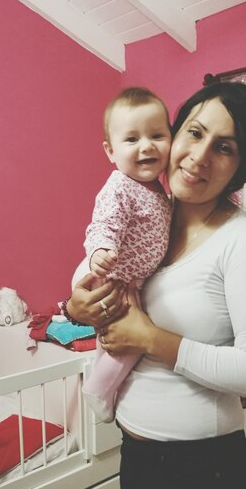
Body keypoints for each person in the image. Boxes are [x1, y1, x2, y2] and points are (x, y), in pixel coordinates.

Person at [68, 81, 246, 489]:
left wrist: (152, 339)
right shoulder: (152, 218)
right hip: (139, 457)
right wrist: (75, 307)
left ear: (242, 165)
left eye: (225, 146)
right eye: (195, 132)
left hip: (203, 473)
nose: (200, 156)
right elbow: (106, 290)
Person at [81, 87, 172, 423]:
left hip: (133, 282)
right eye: (132, 139)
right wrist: (101, 252)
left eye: (157, 135)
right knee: (130, 340)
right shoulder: (119, 186)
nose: (146, 146)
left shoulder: (157, 188)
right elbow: (101, 225)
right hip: (117, 280)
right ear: (111, 151)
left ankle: (106, 387)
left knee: (112, 343)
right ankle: (98, 389)